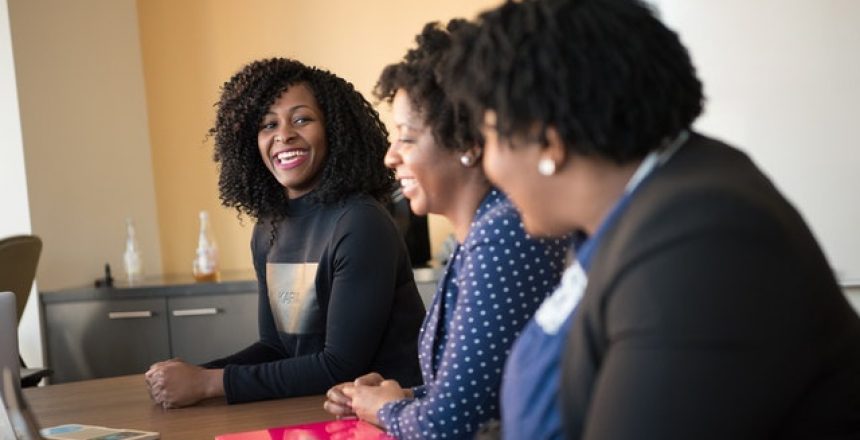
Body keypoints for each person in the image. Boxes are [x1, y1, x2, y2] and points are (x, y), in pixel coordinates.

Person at [442, 0, 860, 438]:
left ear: (549, 142)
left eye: (488, 138)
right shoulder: (642, 208)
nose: (487, 165)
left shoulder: (700, 237)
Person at [322, 20, 569, 439]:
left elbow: (451, 425)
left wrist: (389, 409)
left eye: (407, 138)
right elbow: (480, 392)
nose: (390, 156)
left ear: (468, 142)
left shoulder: (502, 233)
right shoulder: (481, 231)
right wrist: (396, 396)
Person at [144, 58, 426, 408]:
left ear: (334, 130)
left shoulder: (360, 222)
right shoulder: (269, 228)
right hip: (309, 409)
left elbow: (339, 364)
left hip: (387, 419)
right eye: (268, 125)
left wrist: (207, 383)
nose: (283, 135)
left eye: (302, 119)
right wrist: (194, 375)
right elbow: (276, 348)